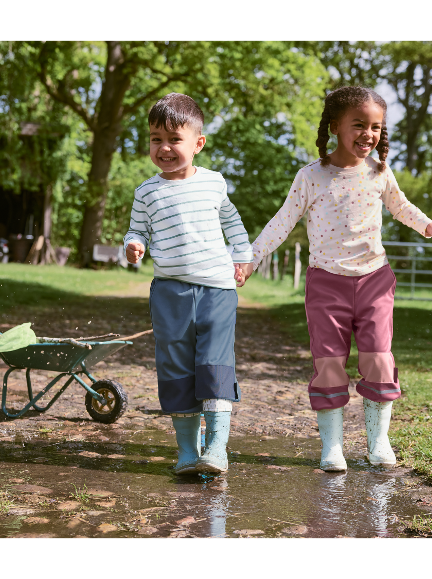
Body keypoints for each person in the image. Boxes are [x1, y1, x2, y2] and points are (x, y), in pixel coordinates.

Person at [237, 86, 432, 472]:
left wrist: (430, 228)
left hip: (374, 280)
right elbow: (282, 221)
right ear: (335, 126)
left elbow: (401, 207)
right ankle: (333, 447)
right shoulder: (311, 176)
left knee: (379, 359)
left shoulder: (379, 173)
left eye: (376, 127)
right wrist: (252, 258)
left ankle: (378, 442)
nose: (368, 134)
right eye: (359, 125)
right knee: (329, 364)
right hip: (326, 284)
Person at [124, 93, 252, 475]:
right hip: (169, 292)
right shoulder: (146, 192)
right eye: (156, 139)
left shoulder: (214, 183)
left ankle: (216, 449)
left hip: (217, 290)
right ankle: (186, 451)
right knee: (176, 367)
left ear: (198, 143)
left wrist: (242, 256)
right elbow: (136, 229)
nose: (164, 148)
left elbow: (232, 222)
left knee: (215, 365)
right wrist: (133, 245)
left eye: (174, 139)